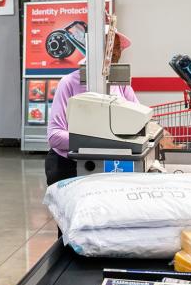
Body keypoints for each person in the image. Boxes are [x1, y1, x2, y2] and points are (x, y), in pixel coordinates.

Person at [45, 29, 135, 186]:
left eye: (119, 47)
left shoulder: (120, 83)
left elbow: (138, 117)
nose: (117, 52)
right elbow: (55, 136)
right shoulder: (69, 83)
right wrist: (99, 141)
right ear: (97, 49)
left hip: (107, 164)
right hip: (69, 165)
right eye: (113, 46)